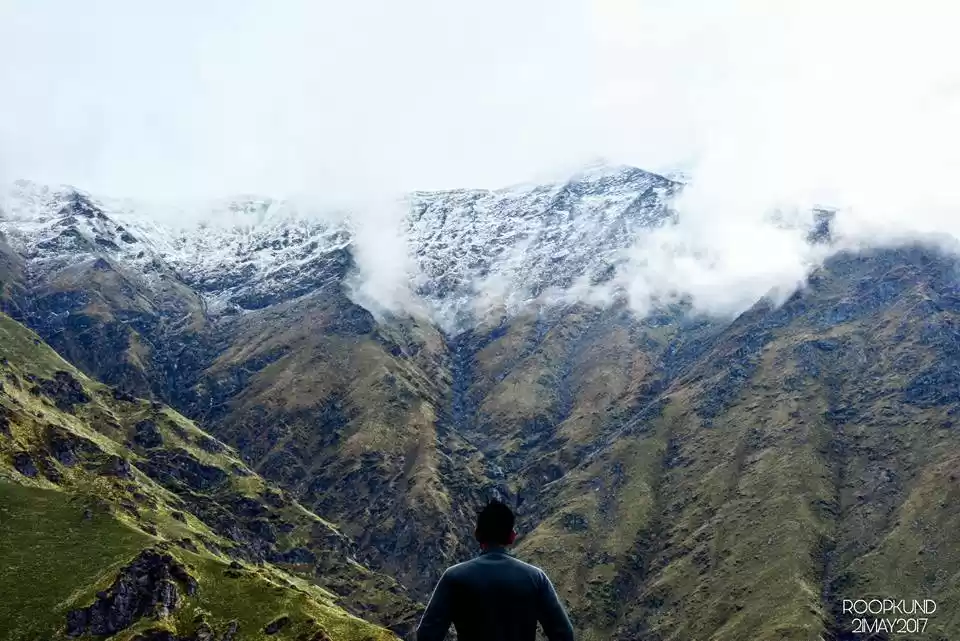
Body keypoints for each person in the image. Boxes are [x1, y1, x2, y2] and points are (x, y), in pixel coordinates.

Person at [416, 499, 575, 641]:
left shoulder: (454, 577)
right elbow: (564, 633)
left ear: (477, 534)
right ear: (512, 536)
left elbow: (427, 634)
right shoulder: (536, 578)